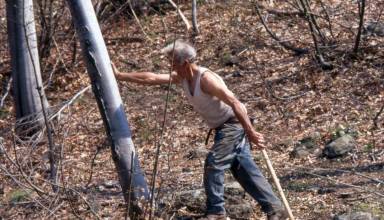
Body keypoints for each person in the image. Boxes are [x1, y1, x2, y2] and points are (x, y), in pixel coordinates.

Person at [112, 40, 288, 220]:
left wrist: (249, 131)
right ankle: (275, 209)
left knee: (214, 163)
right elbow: (152, 78)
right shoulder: (183, 77)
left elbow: (236, 102)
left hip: (233, 124)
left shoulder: (205, 79)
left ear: (185, 63)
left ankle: (217, 212)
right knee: (243, 169)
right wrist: (120, 75)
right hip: (222, 127)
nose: (170, 67)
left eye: (173, 63)